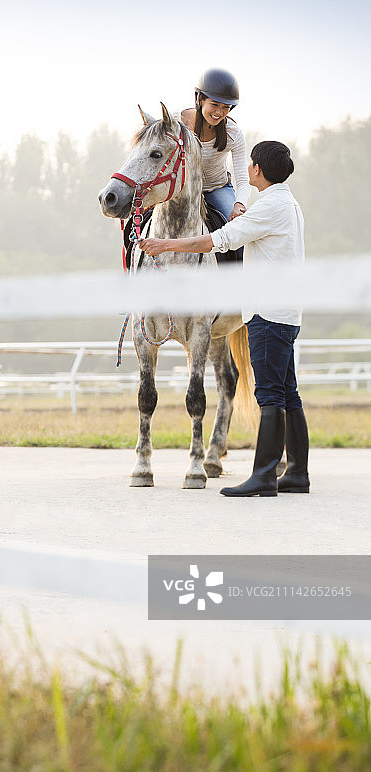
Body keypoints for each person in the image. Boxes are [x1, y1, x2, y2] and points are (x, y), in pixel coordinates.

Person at [138, 140, 310, 498]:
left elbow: (219, 240)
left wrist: (164, 245)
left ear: (257, 170)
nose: (246, 170)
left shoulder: (268, 208)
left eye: (250, 165)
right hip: (286, 313)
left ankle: (264, 475)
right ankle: (297, 472)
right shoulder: (288, 204)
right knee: (288, 394)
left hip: (267, 314)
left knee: (270, 395)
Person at [181, 68, 249, 223]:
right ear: (200, 99)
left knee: (237, 227)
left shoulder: (233, 133)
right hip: (180, 189)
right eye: (214, 104)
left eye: (226, 107)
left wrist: (239, 204)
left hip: (217, 188)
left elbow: (242, 179)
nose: (219, 112)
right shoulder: (177, 122)